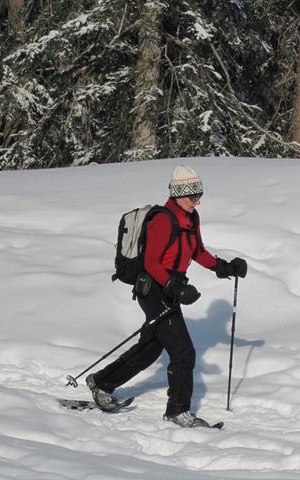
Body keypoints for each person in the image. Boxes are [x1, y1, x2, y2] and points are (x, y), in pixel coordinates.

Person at [85, 165, 247, 427]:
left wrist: (224, 267)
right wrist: (175, 286)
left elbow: (197, 251)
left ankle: (102, 382)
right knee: (184, 352)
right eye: (192, 195)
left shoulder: (191, 218)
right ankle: (177, 410)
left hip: (170, 289)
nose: (197, 200)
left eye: (199, 194)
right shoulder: (163, 219)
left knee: (149, 349)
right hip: (153, 290)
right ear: (177, 194)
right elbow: (151, 262)